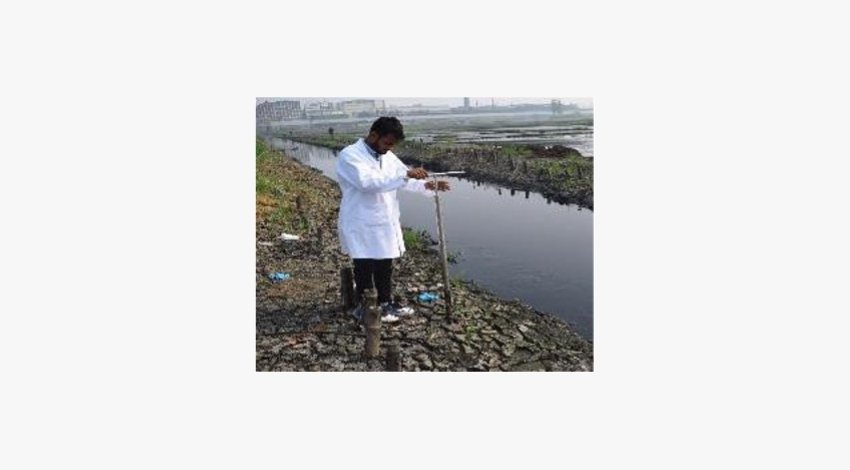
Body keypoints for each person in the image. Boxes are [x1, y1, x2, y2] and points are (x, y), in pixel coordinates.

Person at [336, 117, 450, 323]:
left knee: (385, 263)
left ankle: (386, 303)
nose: (389, 148)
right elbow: (368, 183)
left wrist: (428, 185)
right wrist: (406, 175)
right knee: (364, 264)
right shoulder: (350, 155)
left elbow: (404, 180)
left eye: (392, 145)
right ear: (373, 135)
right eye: (387, 143)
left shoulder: (387, 156)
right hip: (361, 220)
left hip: (384, 220)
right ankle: (365, 307)